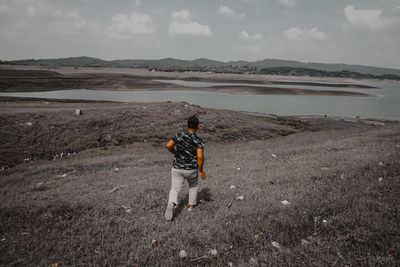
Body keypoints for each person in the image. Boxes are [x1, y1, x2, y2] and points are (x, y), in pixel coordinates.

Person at [164, 115, 206, 221]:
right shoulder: (198, 140)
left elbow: (168, 145)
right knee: (193, 186)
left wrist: (176, 152)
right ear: (198, 126)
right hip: (191, 169)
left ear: (187, 124)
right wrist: (200, 171)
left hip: (177, 167)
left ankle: (172, 203)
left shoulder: (179, 135)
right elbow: (200, 157)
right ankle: (191, 207)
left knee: (175, 188)